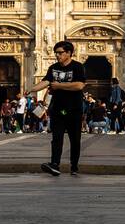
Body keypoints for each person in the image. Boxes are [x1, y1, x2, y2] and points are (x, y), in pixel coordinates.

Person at [28, 41, 86, 176]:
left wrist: (59, 85)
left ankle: (74, 167)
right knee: (57, 138)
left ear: (69, 53)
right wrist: (30, 89)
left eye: (60, 53)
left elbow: (79, 86)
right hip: (58, 108)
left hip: (74, 109)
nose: (57, 55)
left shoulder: (78, 67)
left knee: (75, 139)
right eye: (56, 53)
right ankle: (55, 164)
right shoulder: (53, 68)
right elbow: (46, 82)